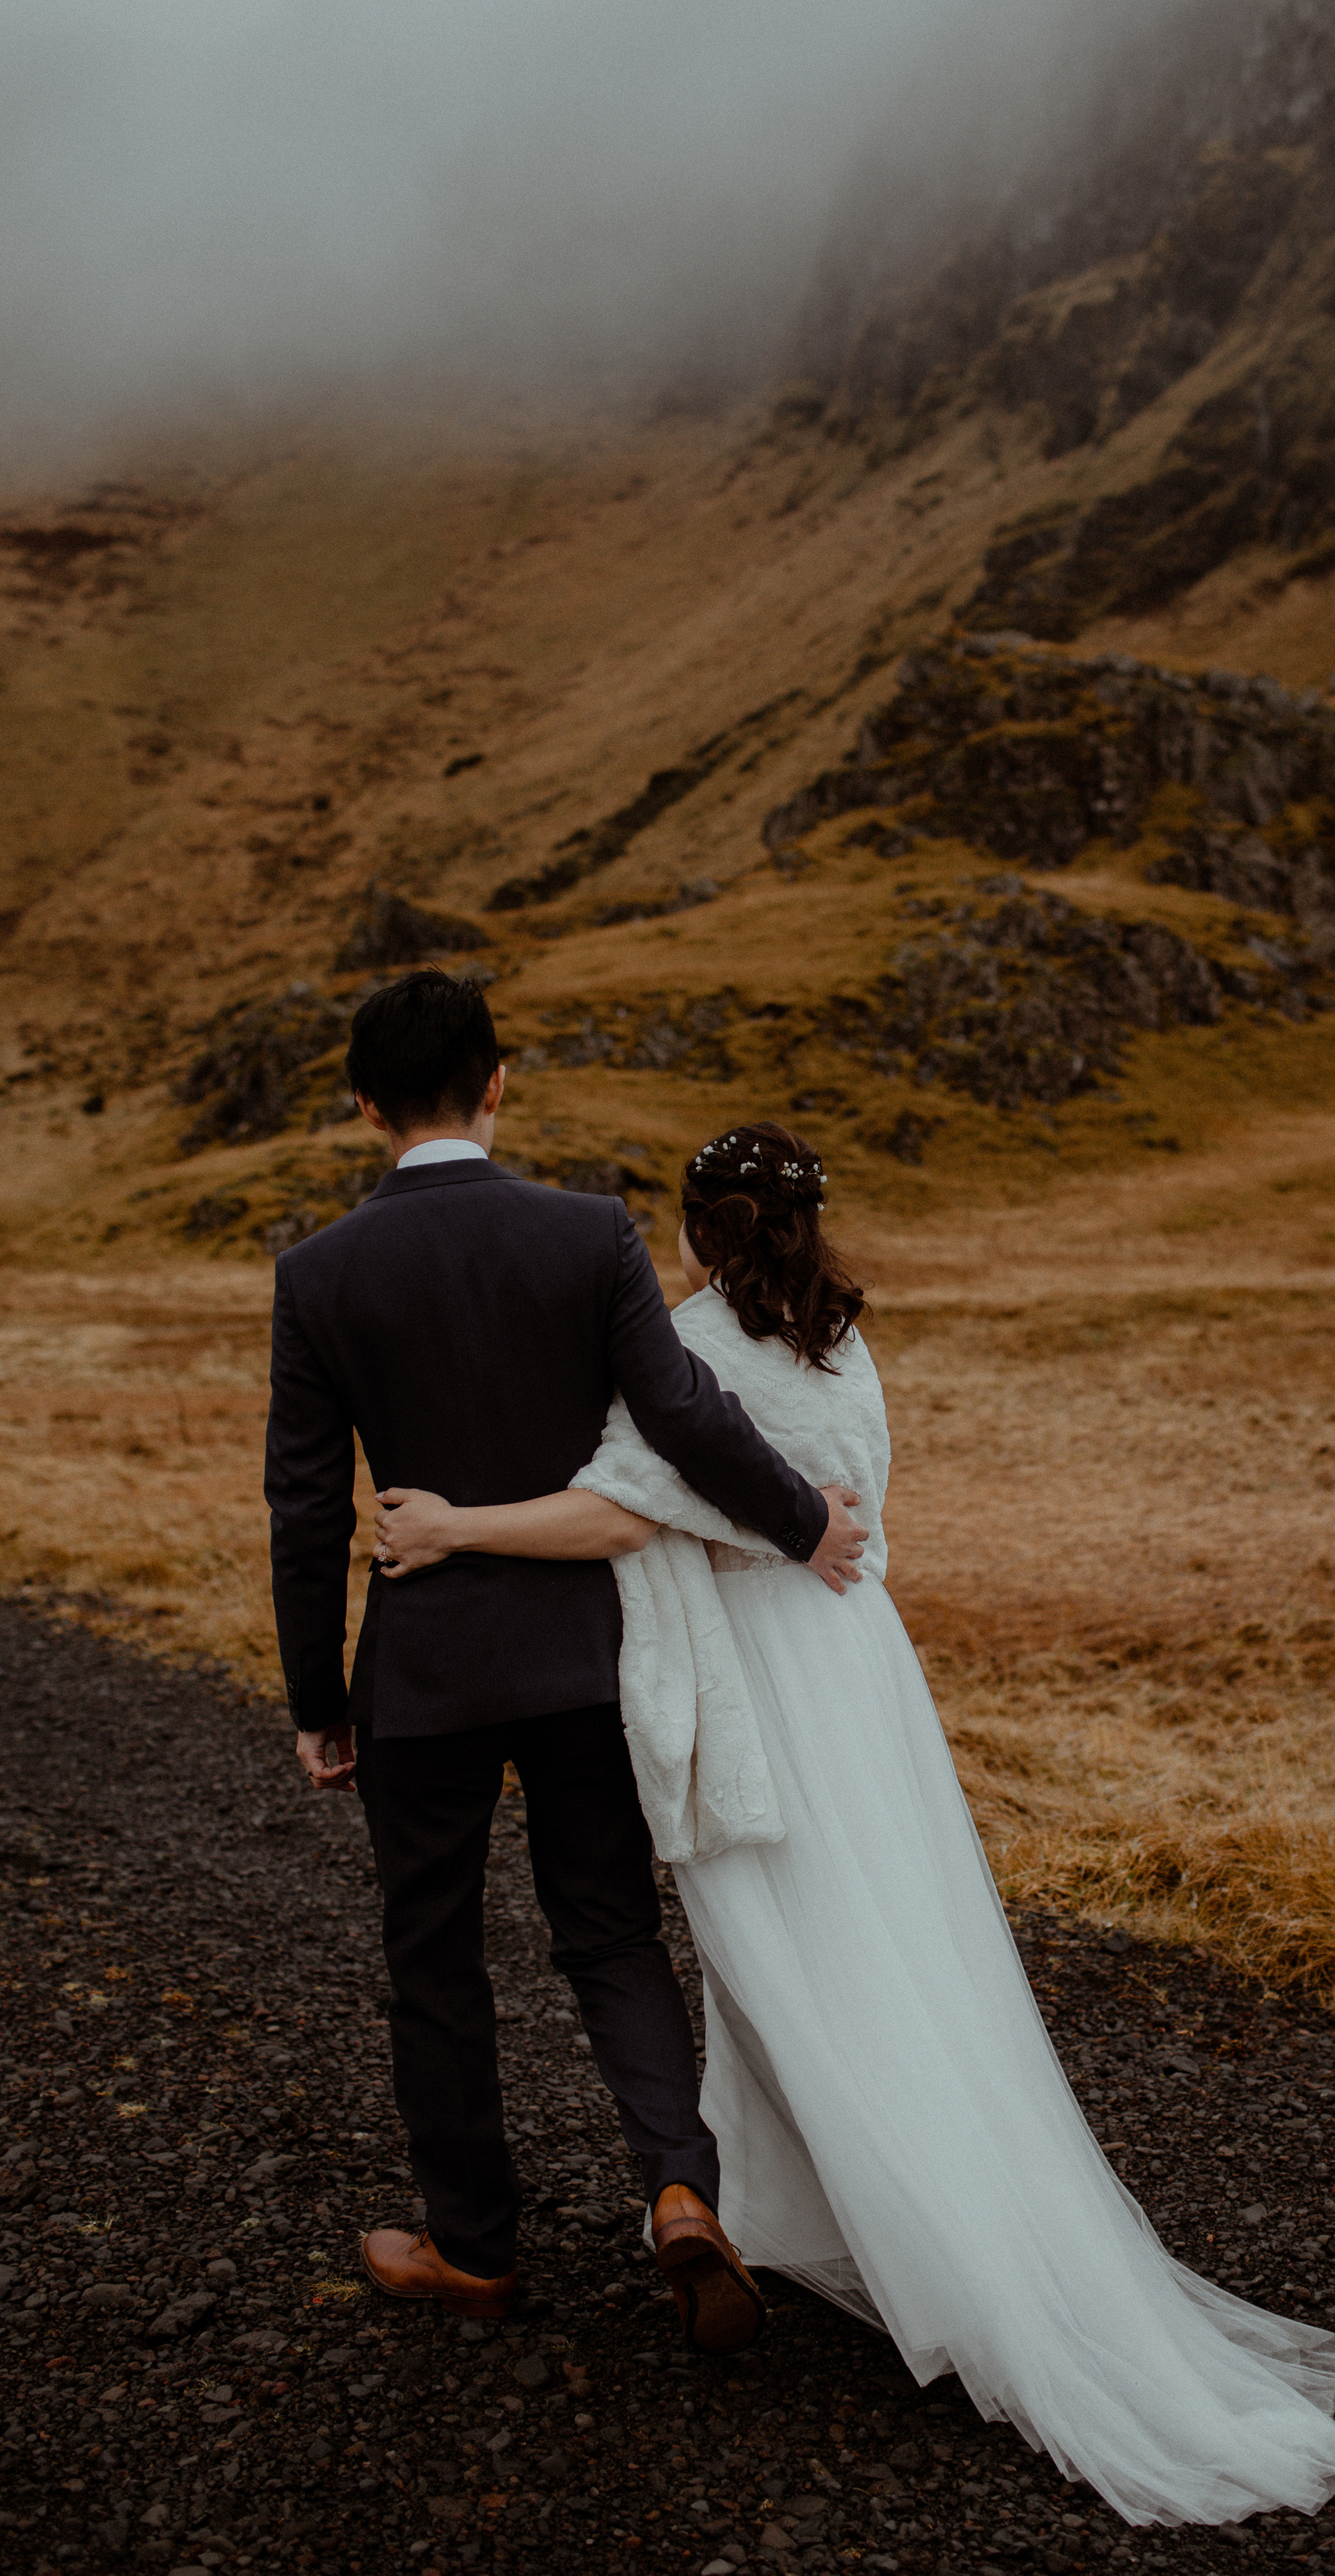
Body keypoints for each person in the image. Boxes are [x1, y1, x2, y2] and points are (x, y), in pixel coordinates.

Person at [370, 1118, 1335, 2530]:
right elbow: (848, 1517)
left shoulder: (692, 1345)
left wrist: (452, 1528)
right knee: (894, 1949)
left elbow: (618, 1517)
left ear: (699, 1229)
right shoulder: (841, 1345)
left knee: (799, 1963)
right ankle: (790, 2212)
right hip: (855, 1664)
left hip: (766, 1685)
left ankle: (933, 2252)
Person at [264, 973, 867, 2345]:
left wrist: (319, 1698)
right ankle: (679, 2188)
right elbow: (686, 1413)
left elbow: (302, 1505)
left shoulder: (318, 1274)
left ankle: (475, 2249)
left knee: (433, 1956)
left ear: (363, 1105)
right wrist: (804, 1524)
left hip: (420, 1675)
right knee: (608, 1933)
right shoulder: (587, 1233)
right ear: (498, 1083)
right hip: (584, 1658)